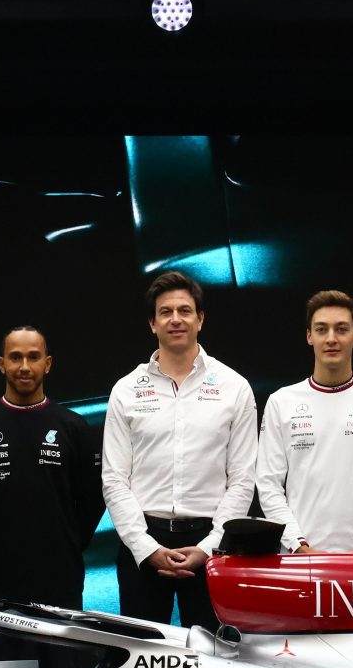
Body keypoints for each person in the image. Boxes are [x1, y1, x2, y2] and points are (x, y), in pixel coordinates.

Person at [97, 269, 258, 628]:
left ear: (200, 319)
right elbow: (114, 479)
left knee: (214, 657)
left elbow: (242, 479)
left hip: (213, 545)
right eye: (165, 312)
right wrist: (146, 548)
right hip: (143, 543)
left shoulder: (234, 387)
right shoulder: (126, 390)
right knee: (140, 657)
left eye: (185, 311)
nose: (176, 319)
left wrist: (209, 547)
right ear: (152, 323)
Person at [0, 325, 102, 610]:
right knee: (4, 642)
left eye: (33, 357)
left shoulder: (73, 427)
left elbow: (93, 499)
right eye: (15, 357)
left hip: (61, 574)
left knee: (60, 642)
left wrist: (66, 541)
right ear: (1, 364)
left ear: (48, 364)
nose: (24, 366)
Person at [256, 289, 353, 555]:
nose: (331, 338)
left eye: (341, 329)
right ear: (309, 336)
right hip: (300, 559)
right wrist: (298, 545)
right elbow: (268, 485)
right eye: (321, 329)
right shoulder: (281, 402)